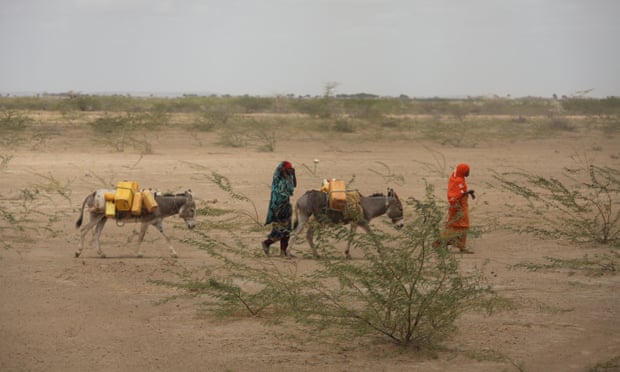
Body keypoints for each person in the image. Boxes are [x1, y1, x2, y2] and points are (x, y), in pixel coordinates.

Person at [433, 163, 476, 253]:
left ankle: (460, 246)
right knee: (455, 226)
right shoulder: (457, 181)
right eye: (467, 171)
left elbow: (461, 192)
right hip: (457, 208)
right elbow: (454, 195)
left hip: (462, 207)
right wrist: (466, 193)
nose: (468, 173)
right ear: (462, 171)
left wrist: (468, 193)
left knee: (462, 226)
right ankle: (440, 243)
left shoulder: (460, 179)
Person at [263, 161, 296, 257]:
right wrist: (285, 173)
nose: (290, 171)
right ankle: (267, 243)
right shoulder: (278, 178)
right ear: (283, 169)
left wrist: (293, 174)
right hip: (278, 207)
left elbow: (294, 185)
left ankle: (283, 252)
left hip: (286, 205)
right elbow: (277, 193)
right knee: (279, 231)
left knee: (287, 231)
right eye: (288, 169)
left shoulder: (289, 177)